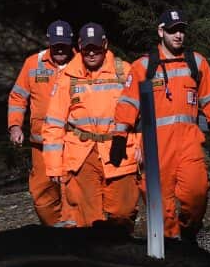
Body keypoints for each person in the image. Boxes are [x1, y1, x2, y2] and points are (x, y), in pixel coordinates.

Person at [110, 8, 210, 241]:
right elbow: (128, 103)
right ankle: (169, 247)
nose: (178, 35)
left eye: (182, 30)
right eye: (173, 31)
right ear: (161, 32)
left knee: (197, 193)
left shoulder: (196, 63)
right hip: (155, 146)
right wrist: (119, 137)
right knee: (159, 204)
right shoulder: (143, 66)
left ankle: (188, 233)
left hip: (189, 142)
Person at [42, 22, 140, 230]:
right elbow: (54, 124)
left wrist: (141, 146)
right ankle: (94, 248)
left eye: (96, 48)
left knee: (123, 213)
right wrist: (53, 165)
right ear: (80, 46)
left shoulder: (124, 71)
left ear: (105, 45)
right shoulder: (68, 76)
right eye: (87, 49)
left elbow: (140, 116)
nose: (92, 53)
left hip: (119, 149)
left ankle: (120, 245)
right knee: (88, 219)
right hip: (81, 155)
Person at [7, 20, 76, 225]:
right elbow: (18, 97)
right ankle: (53, 230)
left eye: (64, 44)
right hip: (42, 144)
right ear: (49, 42)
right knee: (43, 195)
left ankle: (74, 235)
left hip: (75, 143)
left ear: (71, 42)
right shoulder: (33, 64)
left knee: (73, 191)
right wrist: (15, 126)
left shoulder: (82, 63)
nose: (60, 49)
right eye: (56, 45)